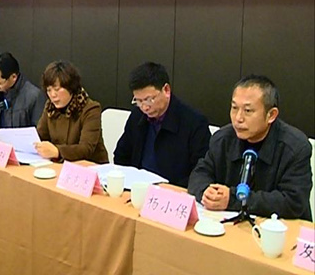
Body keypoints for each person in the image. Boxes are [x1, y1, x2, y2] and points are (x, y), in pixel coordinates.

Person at [188, 75, 312, 220]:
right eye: (234, 108)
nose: (238, 118)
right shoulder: (222, 139)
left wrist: (233, 199)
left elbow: (293, 202)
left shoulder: (296, 147)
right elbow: (199, 174)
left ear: (271, 115)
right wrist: (206, 191)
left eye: (248, 111)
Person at [113, 62, 210, 187]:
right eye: (138, 101)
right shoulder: (137, 116)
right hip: (138, 189)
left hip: (173, 192)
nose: (145, 107)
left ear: (166, 90)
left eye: (149, 99)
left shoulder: (194, 123)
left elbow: (200, 173)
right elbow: (121, 155)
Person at [34, 60, 108, 164]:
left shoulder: (90, 109)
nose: (53, 95)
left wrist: (57, 151)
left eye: (57, 89)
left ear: (70, 87)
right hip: (60, 165)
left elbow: (86, 149)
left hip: (90, 167)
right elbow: (40, 136)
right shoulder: (50, 107)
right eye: (49, 90)